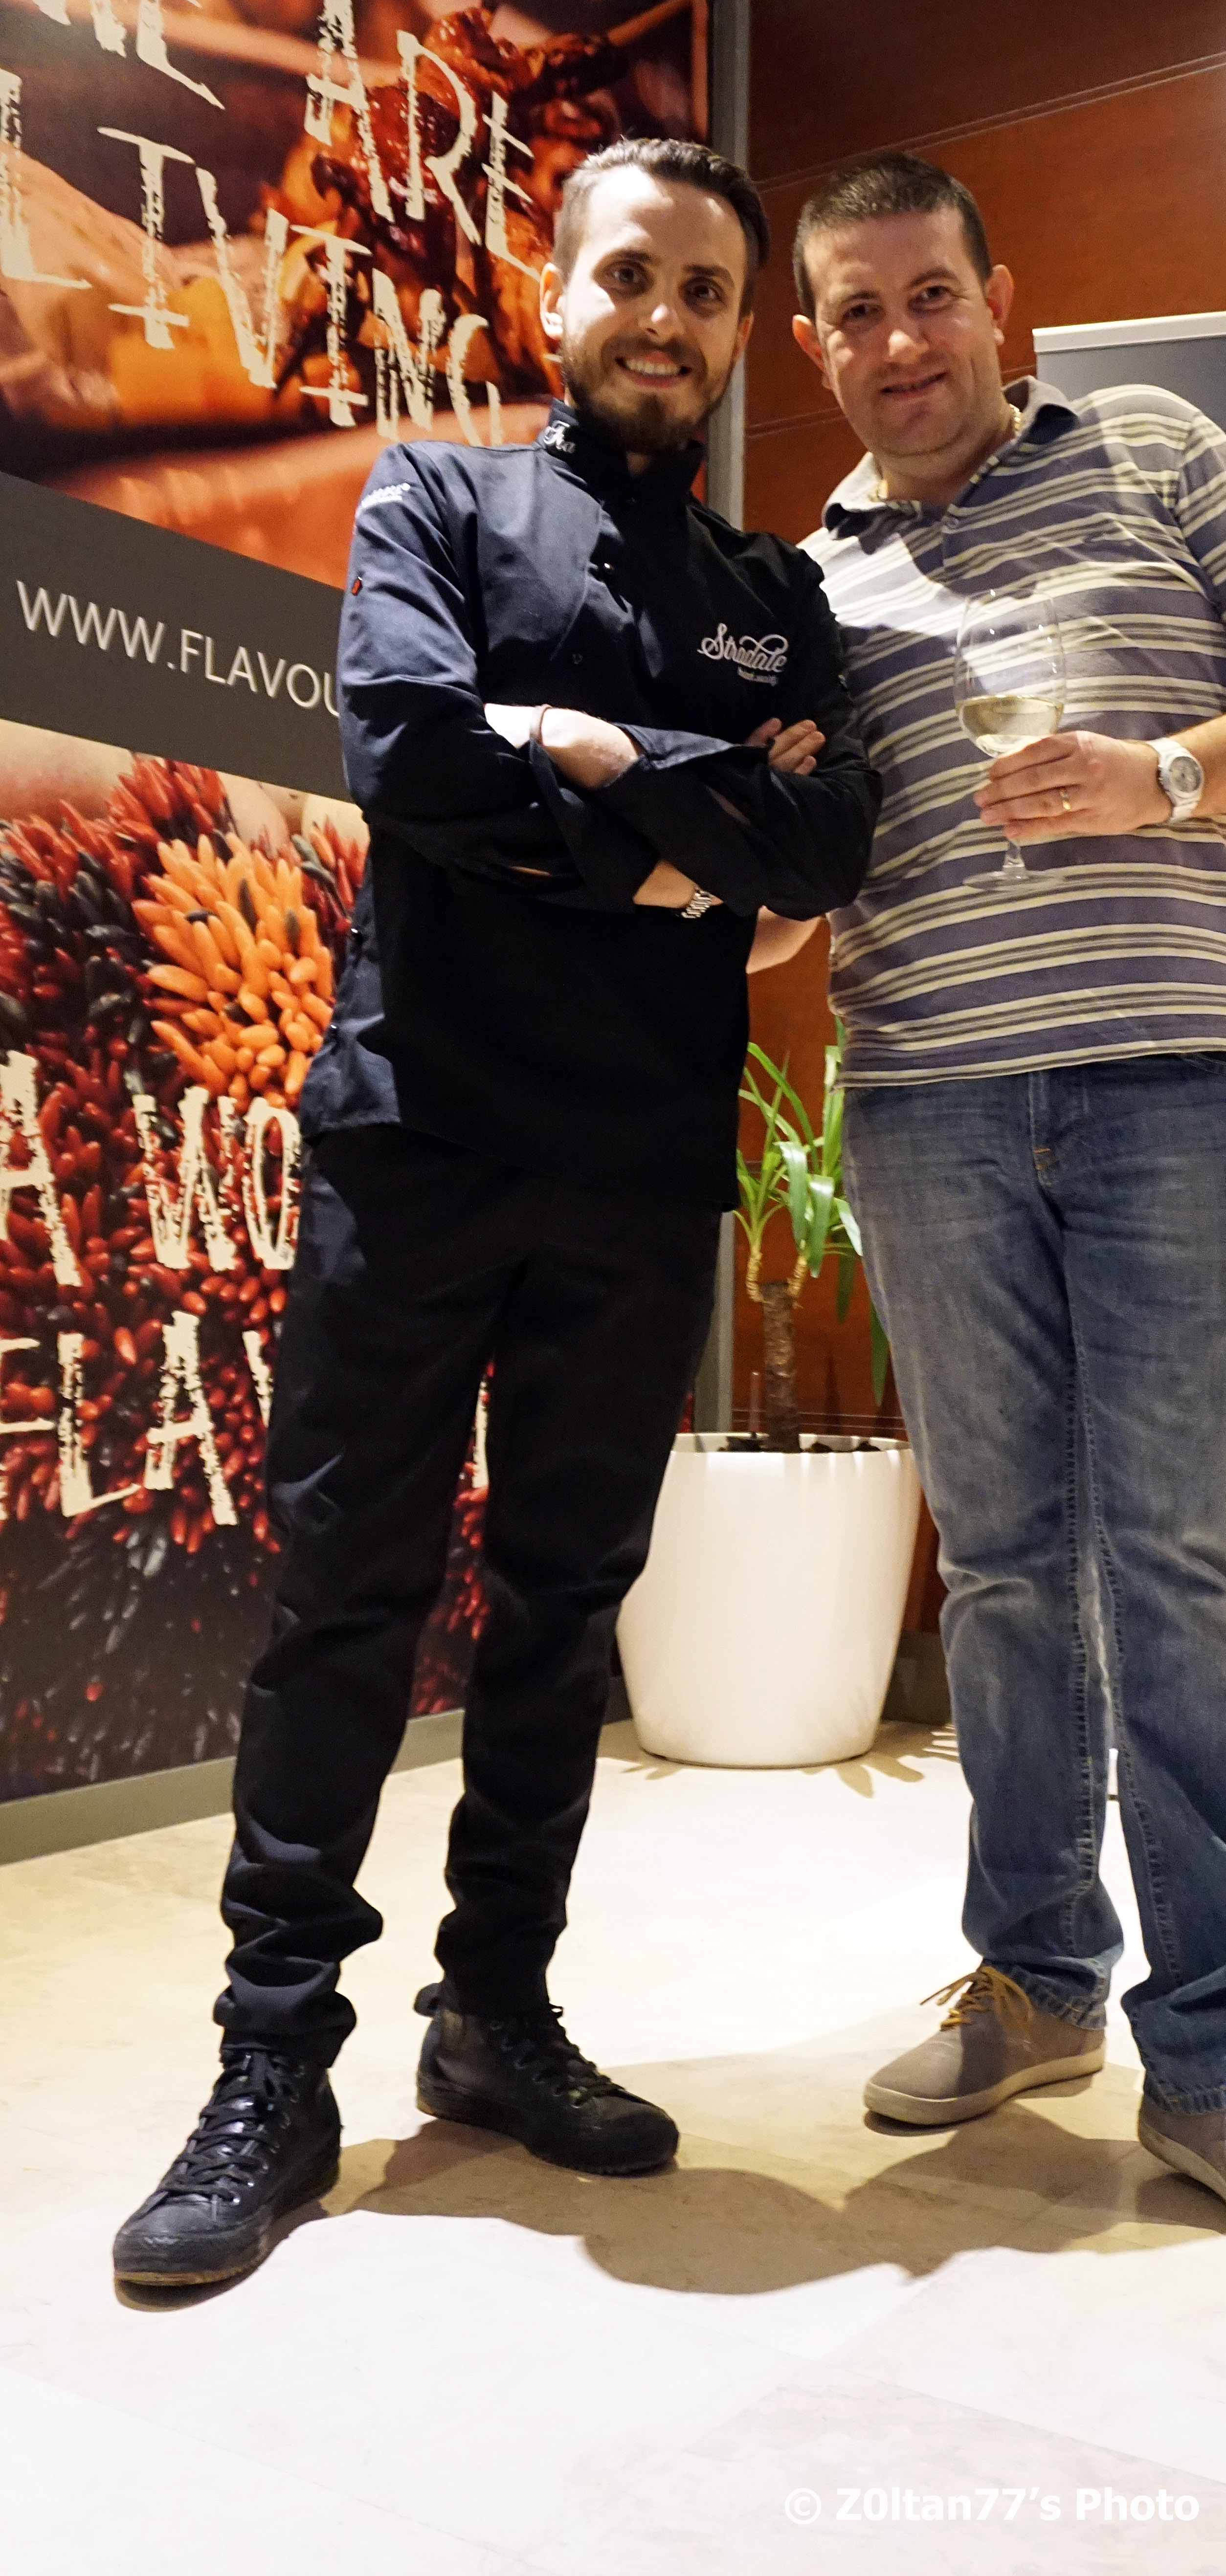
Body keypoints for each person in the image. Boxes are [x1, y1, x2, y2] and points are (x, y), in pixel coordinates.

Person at [112, 138, 878, 2288]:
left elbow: (822, 849)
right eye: (628, 273)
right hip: (418, 1135)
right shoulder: (434, 503)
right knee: (343, 1598)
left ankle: (496, 2011)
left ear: (738, 332)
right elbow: (409, 757)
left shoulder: (775, 591)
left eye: (704, 290)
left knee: (561, 1609)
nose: (663, 318)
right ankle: (271, 2065)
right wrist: (688, 832)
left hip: (637, 1165)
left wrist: (587, 760)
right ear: (555, 298)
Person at [791, 151, 1226, 2269]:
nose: (897, 343)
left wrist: (1160, 777)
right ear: (813, 345)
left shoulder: (1149, 447)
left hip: (1178, 1089)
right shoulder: (810, 577)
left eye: (926, 295)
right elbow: (791, 887)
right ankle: (1035, 1974)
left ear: (996, 300)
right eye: (853, 312)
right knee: (1003, 1574)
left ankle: (1223, 2053)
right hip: (926, 1110)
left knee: (1190, 1572)